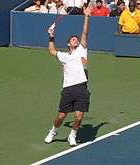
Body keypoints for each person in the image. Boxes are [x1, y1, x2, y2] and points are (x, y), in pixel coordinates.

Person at [44, 7, 91, 146]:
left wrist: (87, 16)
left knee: (79, 115)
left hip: (81, 87)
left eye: (76, 39)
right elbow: (52, 50)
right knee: (61, 116)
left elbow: (84, 32)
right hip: (68, 89)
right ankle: (53, 131)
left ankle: (72, 135)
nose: (75, 39)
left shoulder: (82, 50)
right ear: (68, 44)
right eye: (72, 39)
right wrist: (51, 36)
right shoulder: (64, 56)